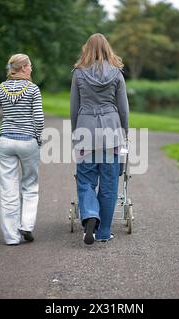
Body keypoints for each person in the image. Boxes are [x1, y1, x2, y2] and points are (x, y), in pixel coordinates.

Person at [70, 33, 129, 245]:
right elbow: (123, 108)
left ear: (87, 49)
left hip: (86, 131)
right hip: (111, 132)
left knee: (85, 180)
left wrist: (75, 133)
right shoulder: (117, 74)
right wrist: (126, 131)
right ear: (107, 49)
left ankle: (91, 215)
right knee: (109, 183)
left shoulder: (78, 74)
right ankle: (103, 232)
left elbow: (74, 107)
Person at [0, 54, 44, 246]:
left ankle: (11, 237)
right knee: (30, 185)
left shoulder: (0, 89)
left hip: (5, 142)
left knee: (8, 190)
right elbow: (39, 119)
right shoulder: (33, 89)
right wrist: (37, 138)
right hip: (27, 141)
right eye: (30, 65)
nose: (31, 68)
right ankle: (26, 226)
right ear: (23, 68)